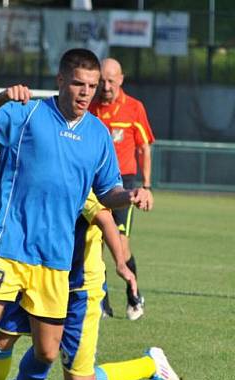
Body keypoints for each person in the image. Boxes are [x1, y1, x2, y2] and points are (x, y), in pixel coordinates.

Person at [0, 49, 153, 380]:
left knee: (46, 353)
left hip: (56, 260)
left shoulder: (97, 136)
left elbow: (107, 192)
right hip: (9, 246)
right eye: (78, 83)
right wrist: (2, 96)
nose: (86, 92)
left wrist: (132, 195)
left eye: (92, 86)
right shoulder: (28, 114)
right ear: (60, 80)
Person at [0, 139, 182, 380]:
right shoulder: (50, 166)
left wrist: (121, 263)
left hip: (77, 289)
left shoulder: (79, 181)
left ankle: (150, 365)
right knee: (0, 337)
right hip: (37, 271)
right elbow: (24, 168)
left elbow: (106, 219)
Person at [89, 57, 155, 321]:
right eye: (102, 80)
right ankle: (102, 302)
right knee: (95, 244)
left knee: (121, 246)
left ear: (121, 79)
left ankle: (133, 295)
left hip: (124, 184)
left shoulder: (134, 108)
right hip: (93, 182)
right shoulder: (89, 107)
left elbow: (144, 147)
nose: (106, 86)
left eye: (111, 80)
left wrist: (146, 185)